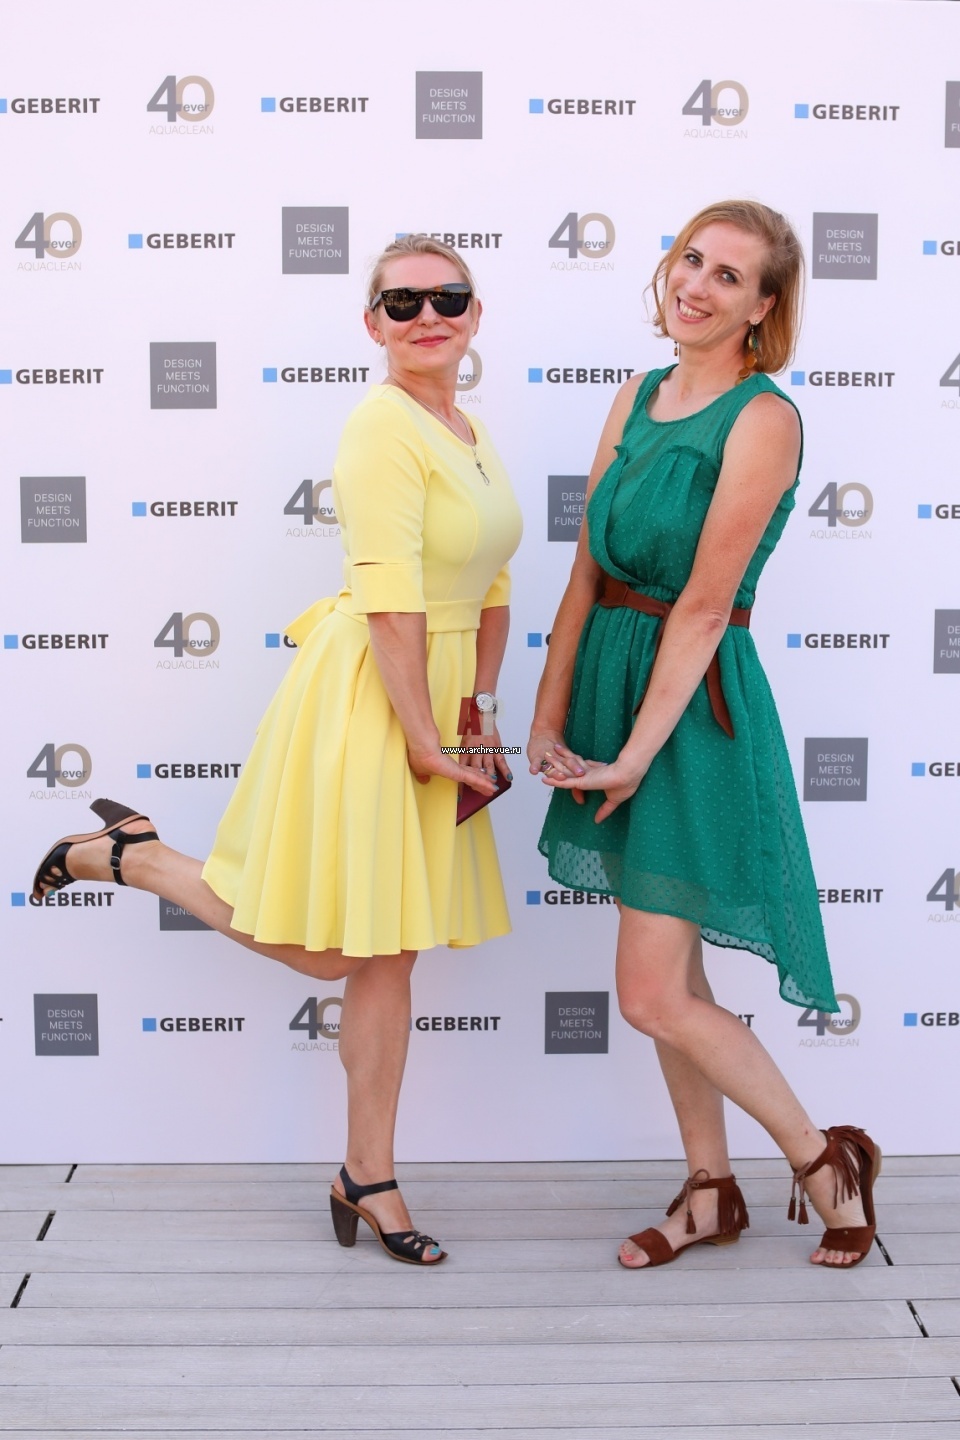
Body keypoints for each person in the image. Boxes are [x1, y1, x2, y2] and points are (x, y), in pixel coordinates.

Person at [33, 234, 522, 1268]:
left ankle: (367, 1174)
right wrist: (424, 739)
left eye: (448, 297)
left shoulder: (470, 430)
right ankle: (139, 859)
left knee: (391, 949)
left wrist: (479, 708)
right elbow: (390, 602)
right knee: (340, 953)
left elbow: (493, 587)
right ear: (372, 322)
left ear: (476, 313)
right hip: (375, 692)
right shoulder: (381, 426)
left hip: (439, 698)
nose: (427, 316)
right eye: (402, 302)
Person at [528, 200, 879, 1270]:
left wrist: (637, 752)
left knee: (648, 994)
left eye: (729, 276)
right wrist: (547, 710)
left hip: (688, 712)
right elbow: (588, 568)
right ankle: (709, 1189)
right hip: (609, 687)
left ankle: (825, 1162)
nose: (697, 285)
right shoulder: (637, 396)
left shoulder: (764, 419)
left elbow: (705, 605)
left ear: (764, 307)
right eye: (691, 260)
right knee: (674, 982)